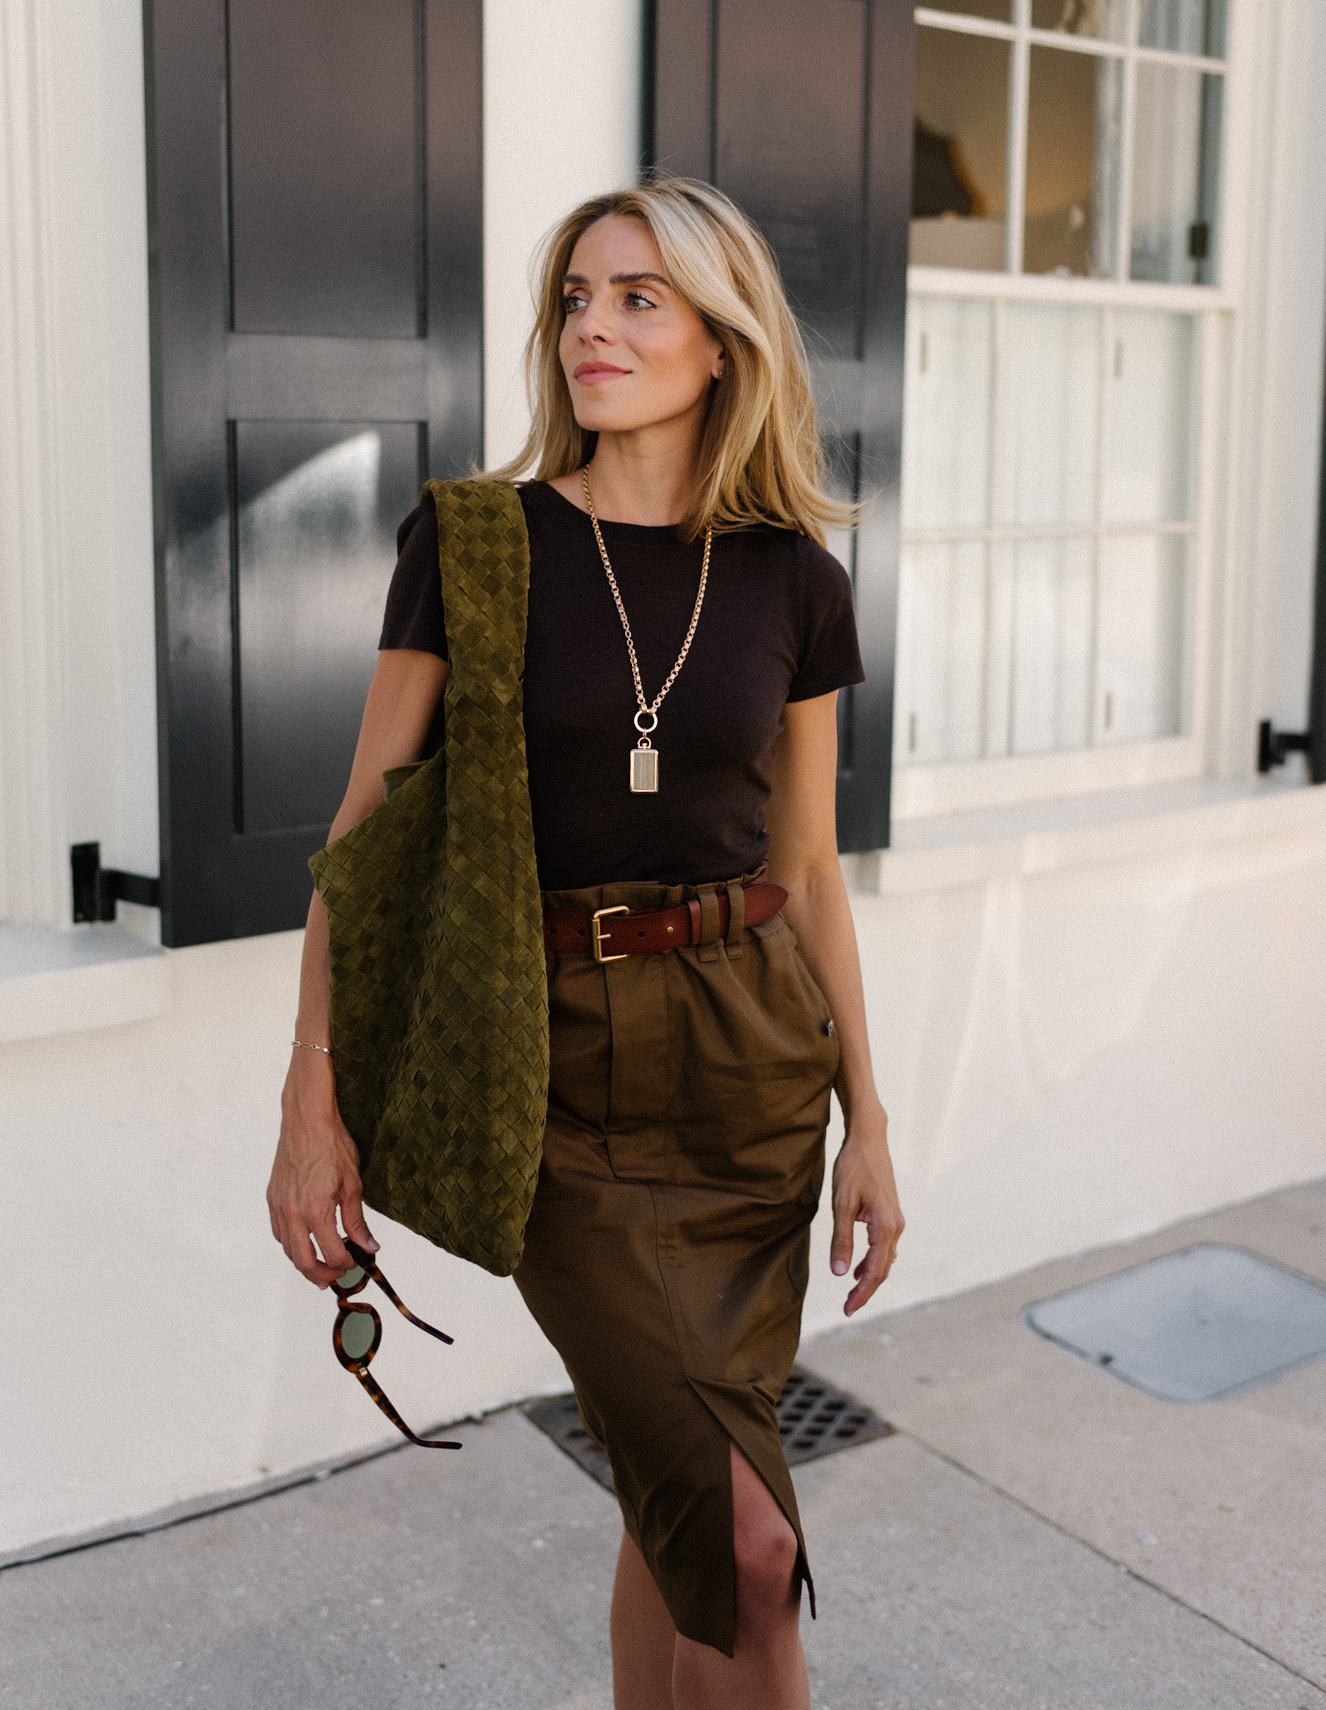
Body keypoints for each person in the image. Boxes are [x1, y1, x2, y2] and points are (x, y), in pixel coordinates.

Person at [267, 178, 904, 1710]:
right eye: (574, 298)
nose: (591, 331)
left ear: (722, 340)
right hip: (549, 1069)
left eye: (638, 299)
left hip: (753, 1071)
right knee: (747, 1547)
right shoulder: (476, 544)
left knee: (672, 1493)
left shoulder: (797, 584)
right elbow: (363, 834)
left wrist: (867, 1117)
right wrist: (312, 1094)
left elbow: (809, 868)